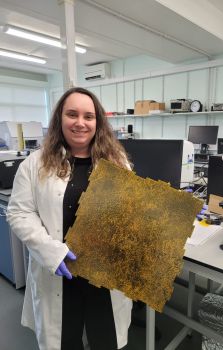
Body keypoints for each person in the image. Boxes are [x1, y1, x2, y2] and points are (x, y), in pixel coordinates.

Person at [6, 87, 133, 350]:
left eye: (88, 116)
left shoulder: (117, 161)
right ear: (59, 119)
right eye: (72, 114)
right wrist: (52, 252)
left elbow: (130, 210)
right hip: (60, 271)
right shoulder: (35, 163)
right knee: (64, 341)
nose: (80, 122)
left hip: (103, 274)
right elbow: (19, 212)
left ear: (98, 122)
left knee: (106, 340)